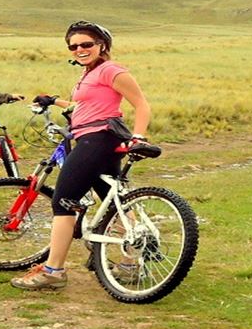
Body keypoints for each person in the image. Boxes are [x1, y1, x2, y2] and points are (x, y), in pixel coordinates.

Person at [11, 20, 151, 291]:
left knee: (64, 202)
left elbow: (141, 103)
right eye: (73, 46)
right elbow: (82, 105)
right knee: (113, 202)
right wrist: (53, 101)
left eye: (86, 44)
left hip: (96, 139)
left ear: (102, 45)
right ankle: (131, 263)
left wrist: (139, 136)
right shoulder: (89, 73)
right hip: (94, 138)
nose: (79, 49)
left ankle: (53, 271)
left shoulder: (111, 70)